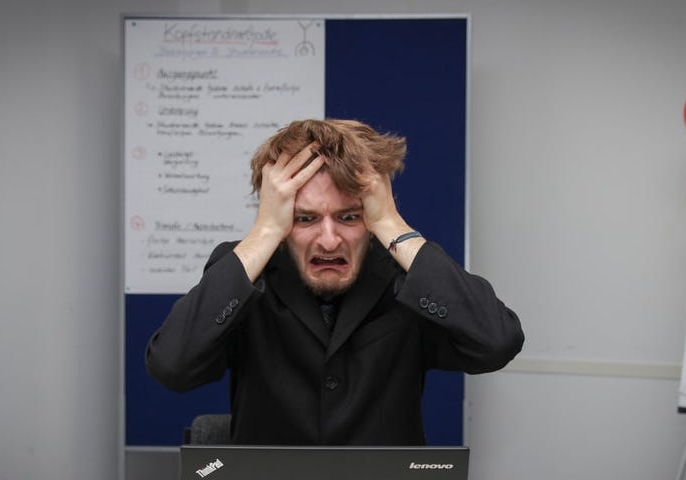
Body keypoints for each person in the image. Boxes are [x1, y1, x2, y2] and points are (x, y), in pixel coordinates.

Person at [145, 119, 523, 445]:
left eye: (349, 217)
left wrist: (391, 225)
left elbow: (496, 342)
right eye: (305, 219)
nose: (328, 240)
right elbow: (172, 365)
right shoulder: (247, 273)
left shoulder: (403, 275)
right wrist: (265, 232)